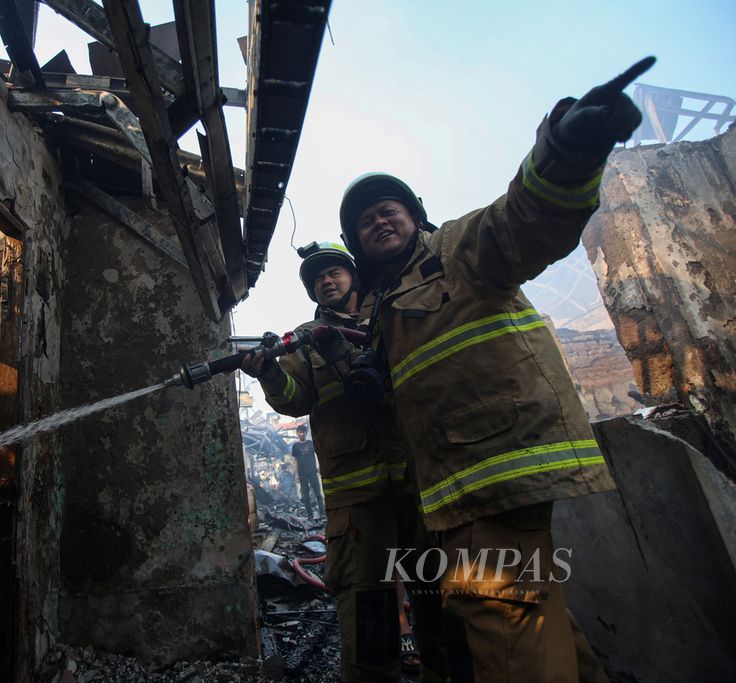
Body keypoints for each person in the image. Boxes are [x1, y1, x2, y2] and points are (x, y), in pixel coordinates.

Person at [336, 58, 656, 683]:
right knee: (535, 619)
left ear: (416, 216)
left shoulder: (455, 248)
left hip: (493, 468)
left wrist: (566, 152)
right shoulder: (385, 307)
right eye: (364, 219)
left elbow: (524, 220)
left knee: (504, 622)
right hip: (459, 483)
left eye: (389, 209)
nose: (378, 219)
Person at [241, 241, 425, 681]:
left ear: (353, 276)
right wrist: (268, 371)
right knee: (367, 607)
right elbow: (294, 400)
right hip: (359, 494)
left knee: (440, 596)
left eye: (334, 272)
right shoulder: (305, 339)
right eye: (318, 278)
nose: (326, 281)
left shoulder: (391, 314)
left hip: (424, 481)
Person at [291, 424, 324, 518]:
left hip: (313, 472)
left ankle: (322, 514)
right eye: (300, 432)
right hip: (302, 474)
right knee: (306, 496)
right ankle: (310, 516)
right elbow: (295, 461)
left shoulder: (310, 443)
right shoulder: (295, 446)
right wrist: (296, 475)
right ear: (297, 433)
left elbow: (319, 454)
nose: (301, 434)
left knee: (318, 494)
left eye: (303, 432)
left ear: (306, 433)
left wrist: (320, 466)